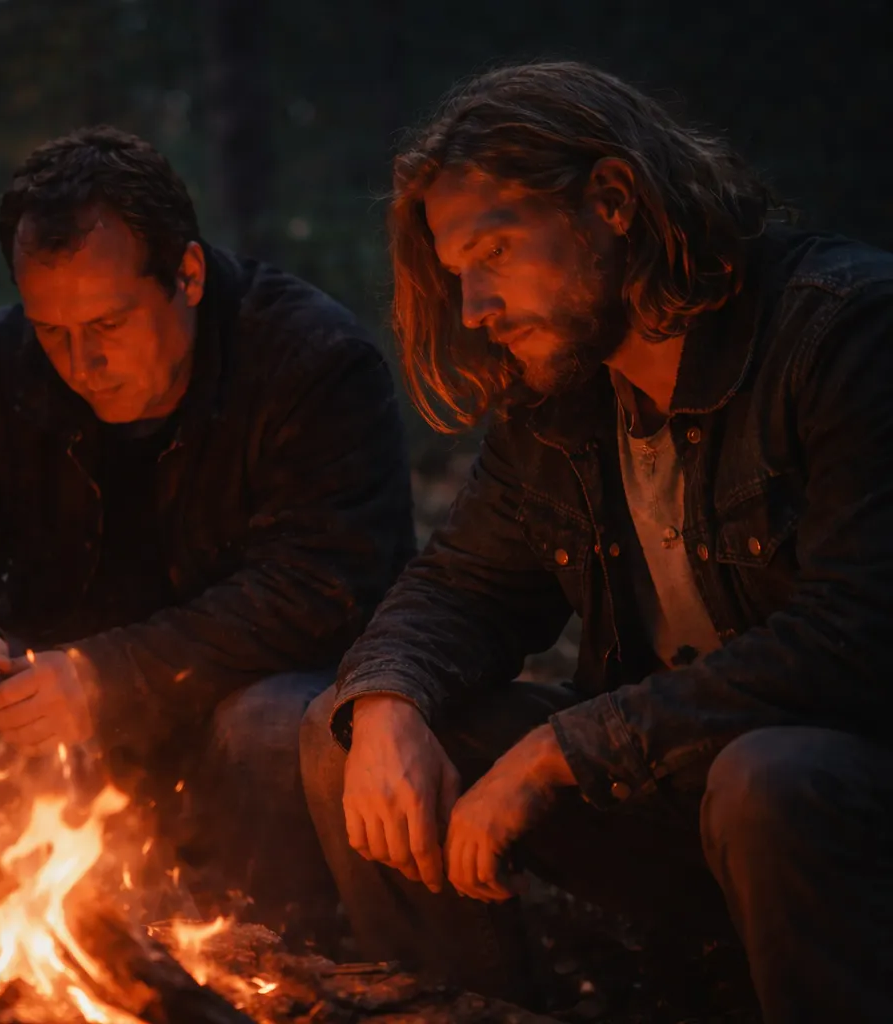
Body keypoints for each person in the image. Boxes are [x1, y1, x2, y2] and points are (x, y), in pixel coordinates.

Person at [299, 61, 893, 1022]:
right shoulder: (562, 397)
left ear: (614, 200)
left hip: (834, 808)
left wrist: (562, 749)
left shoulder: (843, 334)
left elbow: (855, 636)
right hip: (669, 792)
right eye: (457, 274)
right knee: (349, 731)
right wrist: (385, 701)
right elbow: (461, 586)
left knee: (769, 779)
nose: (475, 308)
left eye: (495, 251)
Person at [0, 126, 415, 934]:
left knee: (271, 726)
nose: (79, 363)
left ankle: (271, 955)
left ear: (187, 275)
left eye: (108, 325)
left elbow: (320, 587)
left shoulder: (312, 363)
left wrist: (110, 678)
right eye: (51, 330)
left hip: (240, 694)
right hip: (54, 716)